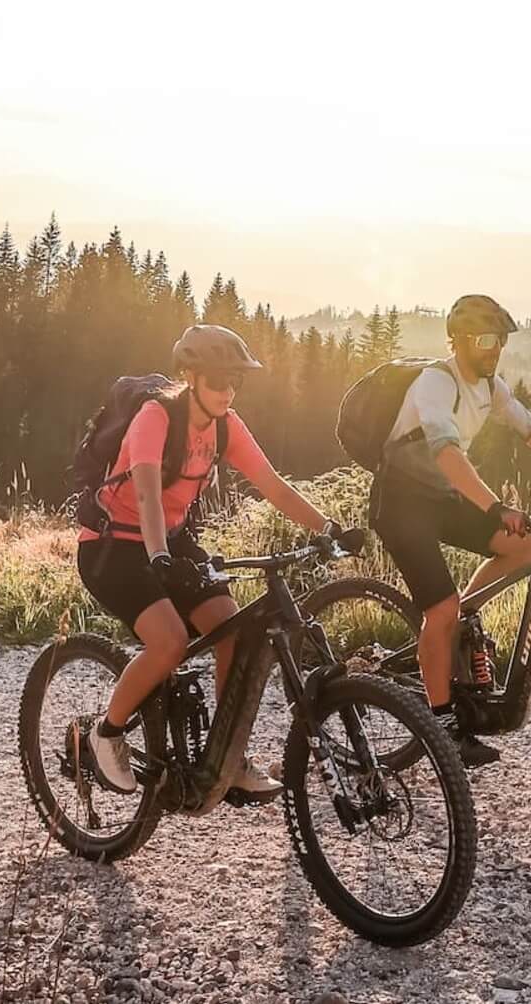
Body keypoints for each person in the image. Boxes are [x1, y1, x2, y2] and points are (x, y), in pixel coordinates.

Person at [83, 324, 357, 798]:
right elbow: (147, 493)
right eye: (217, 381)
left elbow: (271, 485)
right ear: (190, 376)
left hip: (167, 541)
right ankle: (105, 734)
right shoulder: (156, 417)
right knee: (168, 643)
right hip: (114, 545)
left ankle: (224, 758)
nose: (227, 391)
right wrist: (159, 557)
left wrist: (328, 529)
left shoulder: (226, 424)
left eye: (235, 382)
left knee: (233, 629)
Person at [371, 294, 531, 766]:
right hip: (403, 503)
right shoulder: (434, 383)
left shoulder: (490, 387)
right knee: (439, 607)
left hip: (443, 499)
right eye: (487, 340)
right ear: (460, 341)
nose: (495, 349)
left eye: (501, 341)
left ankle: (459, 622)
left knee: (522, 545)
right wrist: (494, 506)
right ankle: (442, 725)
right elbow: (447, 453)